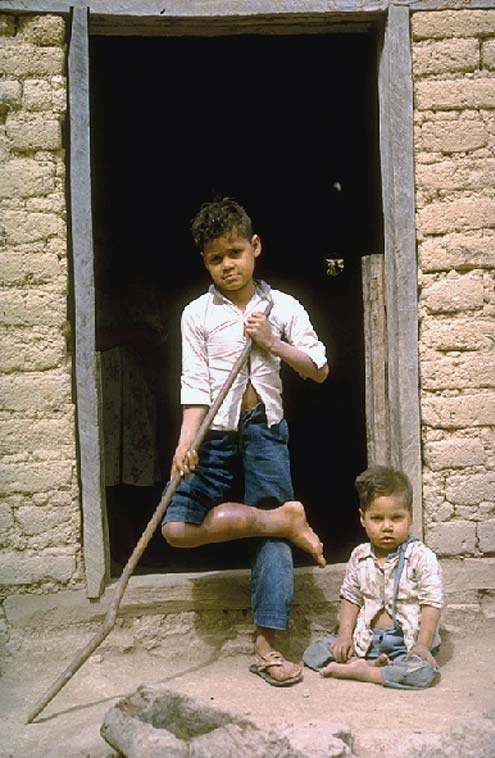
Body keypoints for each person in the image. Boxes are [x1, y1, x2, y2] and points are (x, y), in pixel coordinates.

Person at [161, 197, 329, 686]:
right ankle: (281, 519)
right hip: (213, 436)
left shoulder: (282, 307)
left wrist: (272, 343)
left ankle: (268, 647)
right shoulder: (197, 314)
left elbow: (320, 369)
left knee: (271, 539)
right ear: (204, 263)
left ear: (255, 247)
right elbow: (194, 386)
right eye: (215, 258)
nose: (227, 265)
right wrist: (184, 443)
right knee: (175, 526)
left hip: (265, 431)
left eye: (235, 252)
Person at [303, 466, 443, 689]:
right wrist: (344, 636)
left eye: (396, 518)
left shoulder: (421, 557)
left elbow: (431, 603)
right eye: (377, 518)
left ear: (410, 517)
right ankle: (371, 663)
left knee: (422, 673)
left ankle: (365, 672)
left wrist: (423, 645)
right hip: (368, 641)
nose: (387, 527)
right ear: (363, 519)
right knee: (315, 652)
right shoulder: (360, 556)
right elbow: (351, 598)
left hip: (407, 645)